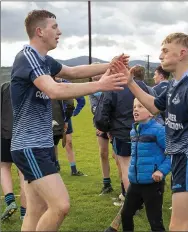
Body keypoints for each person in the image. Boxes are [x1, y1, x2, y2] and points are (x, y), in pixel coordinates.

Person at [10, 9, 128, 231]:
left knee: (37, 209)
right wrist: (100, 84)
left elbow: (73, 71)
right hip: (30, 145)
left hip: (41, 145)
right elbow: (54, 89)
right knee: (60, 205)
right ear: (39, 31)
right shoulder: (28, 57)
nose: (59, 32)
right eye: (54, 27)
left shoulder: (44, 60)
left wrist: (109, 65)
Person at [112, 32, 188, 231]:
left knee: (177, 226)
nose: (160, 56)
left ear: (182, 53)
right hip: (179, 158)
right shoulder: (173, 84)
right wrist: (130, 83)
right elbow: (153, 106)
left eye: (165, 50)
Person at [94, 67, 155, 206]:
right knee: (142, 164)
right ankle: (145, 198)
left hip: (122, 132)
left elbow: (102, 112)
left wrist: (106, 128)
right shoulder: (144, 86)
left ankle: (132, 201)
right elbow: (155, 105)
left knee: (126, 166)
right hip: (144, 130)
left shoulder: (113, 86)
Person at [121, 98, 171, 232]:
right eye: (134, 107)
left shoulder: (159, 131)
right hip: (135, 183)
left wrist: (161, 171)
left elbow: (173, 154)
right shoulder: (133, 131)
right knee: (125, 215)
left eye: (140, 106)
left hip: (152, 185)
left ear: (151, 112)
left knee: (155, 222)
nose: (135, 109)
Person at [1, 81, 26, 221]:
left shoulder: (5, 87)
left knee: (4, 166)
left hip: (5, 133)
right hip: (24, 134)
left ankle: (10, 201)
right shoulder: (32, 85)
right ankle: (24, 213)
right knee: (23, 172)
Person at [89, 74, 114, 195]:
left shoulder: (111, 87)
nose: (94, 78)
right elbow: (94, 109)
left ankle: (125, 187)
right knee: (103, 153)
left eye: (97, 76)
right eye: (93, 77)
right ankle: (106, 183)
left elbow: (114, 108)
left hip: (114, 126)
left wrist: (107, 127)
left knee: (117, 156)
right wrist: (102, 126)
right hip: (100, 124)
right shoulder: (92, 90)